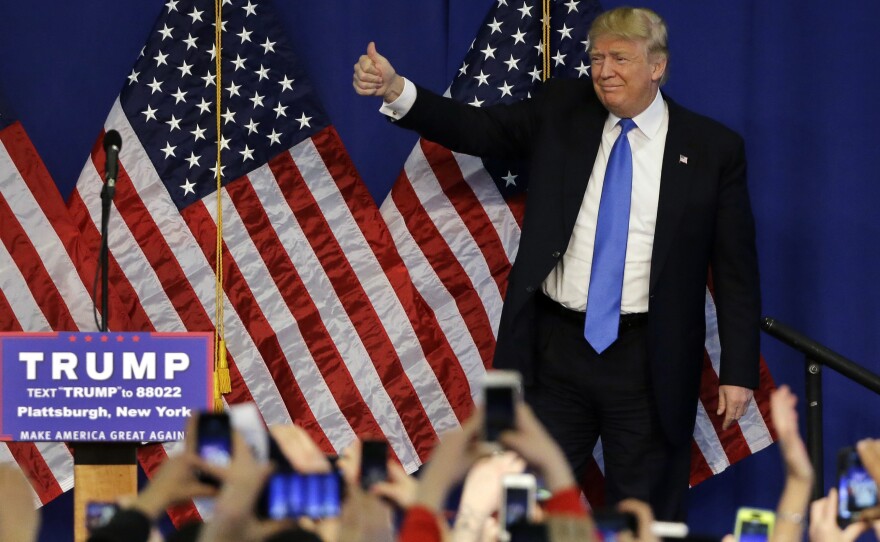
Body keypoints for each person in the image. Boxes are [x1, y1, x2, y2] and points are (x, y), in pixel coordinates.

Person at [352, 6, 760, 520]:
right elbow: (478, 129)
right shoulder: (564, 107)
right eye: (596, 58)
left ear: (657, 66)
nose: (604, 70)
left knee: (644, 514)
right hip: (556, 352)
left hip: (648, 359)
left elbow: (735, 269)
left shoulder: (711, 149)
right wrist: (397, 91)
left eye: (619, 58)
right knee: (532, 506)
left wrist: (738, 370)